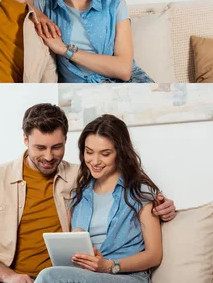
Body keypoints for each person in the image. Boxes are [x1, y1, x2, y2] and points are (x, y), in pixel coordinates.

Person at [0, 104, 173, 283]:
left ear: (66, 141)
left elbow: (130, 189)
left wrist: (163, 205)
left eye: (56, 147)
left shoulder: (80, 177)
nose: (49, 157)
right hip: (4, 277)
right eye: (40, 147)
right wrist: (8, 277)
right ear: (25, 139)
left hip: (58, 276)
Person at [35, 114, 162, 282]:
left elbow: (154, 255)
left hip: (127, 277)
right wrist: (76, 239)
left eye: (105, 153)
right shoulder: (79, 195)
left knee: (48, 276)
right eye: (89, 152)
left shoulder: (139, 193)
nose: (95, 161)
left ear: (120, 153)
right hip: (88, 276)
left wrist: (110, 265)